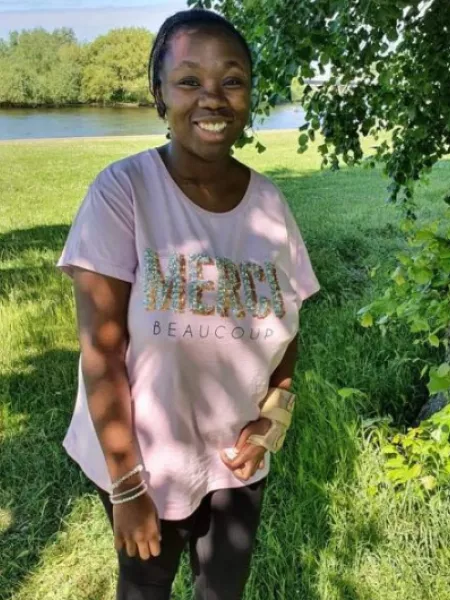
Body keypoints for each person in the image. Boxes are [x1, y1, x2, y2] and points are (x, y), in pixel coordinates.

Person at [57, 8, 320, 600]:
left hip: (236, 454)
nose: (213, 98)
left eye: (232, 80)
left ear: (250, 95)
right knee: (146, 586)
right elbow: (101, 352)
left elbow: (288, 318)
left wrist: (273, 417)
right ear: (158, 95)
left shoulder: (270, 205)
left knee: (223, 589)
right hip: (145, 460)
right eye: (189, 81)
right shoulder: (122, 193)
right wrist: (127, 489)